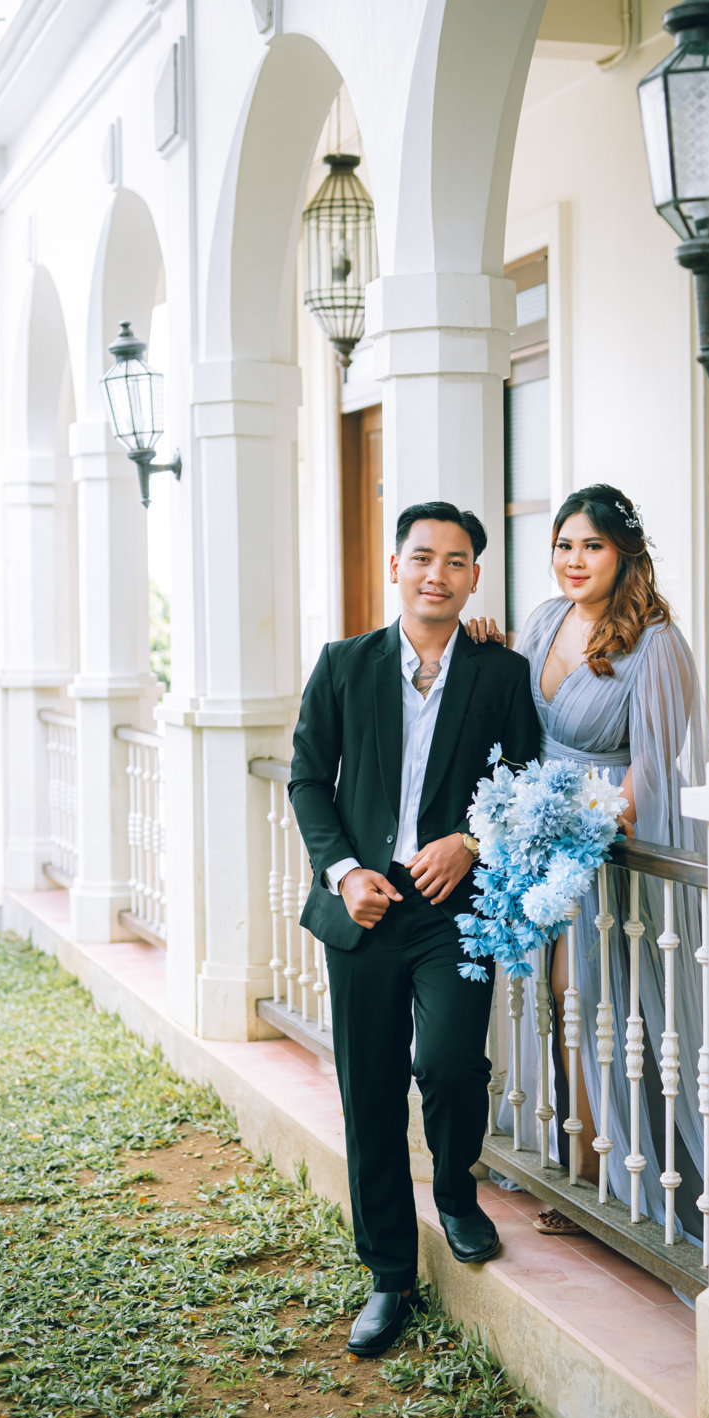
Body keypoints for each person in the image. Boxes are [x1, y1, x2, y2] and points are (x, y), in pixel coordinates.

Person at [289, 502, 540, 1357]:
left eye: (457, 560)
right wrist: (344, 871)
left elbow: (524, 782)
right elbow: (307, 779)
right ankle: (389, 1272)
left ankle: (457, 1194)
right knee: (368, 1090)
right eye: (424, 557)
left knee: (449, 1062)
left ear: (474, 577)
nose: (439, 573)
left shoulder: (501, 674)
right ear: (396, 565)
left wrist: (470, 841)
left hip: (453, 909)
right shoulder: (344, 664)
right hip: (365, 905)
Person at [469, 483, 709, 1238]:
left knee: (586, 992)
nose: (574, 560)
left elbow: (654, 766)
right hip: (534, 835)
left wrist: (588, 828)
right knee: (536, 988)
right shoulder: (545, 621)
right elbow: (515, 712)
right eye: (564, 545)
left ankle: (600, 1170)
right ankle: (562, 1147)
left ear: (624, 553)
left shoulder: (656, 643)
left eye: (592, 546)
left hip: (603, 843)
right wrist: (485, 645)